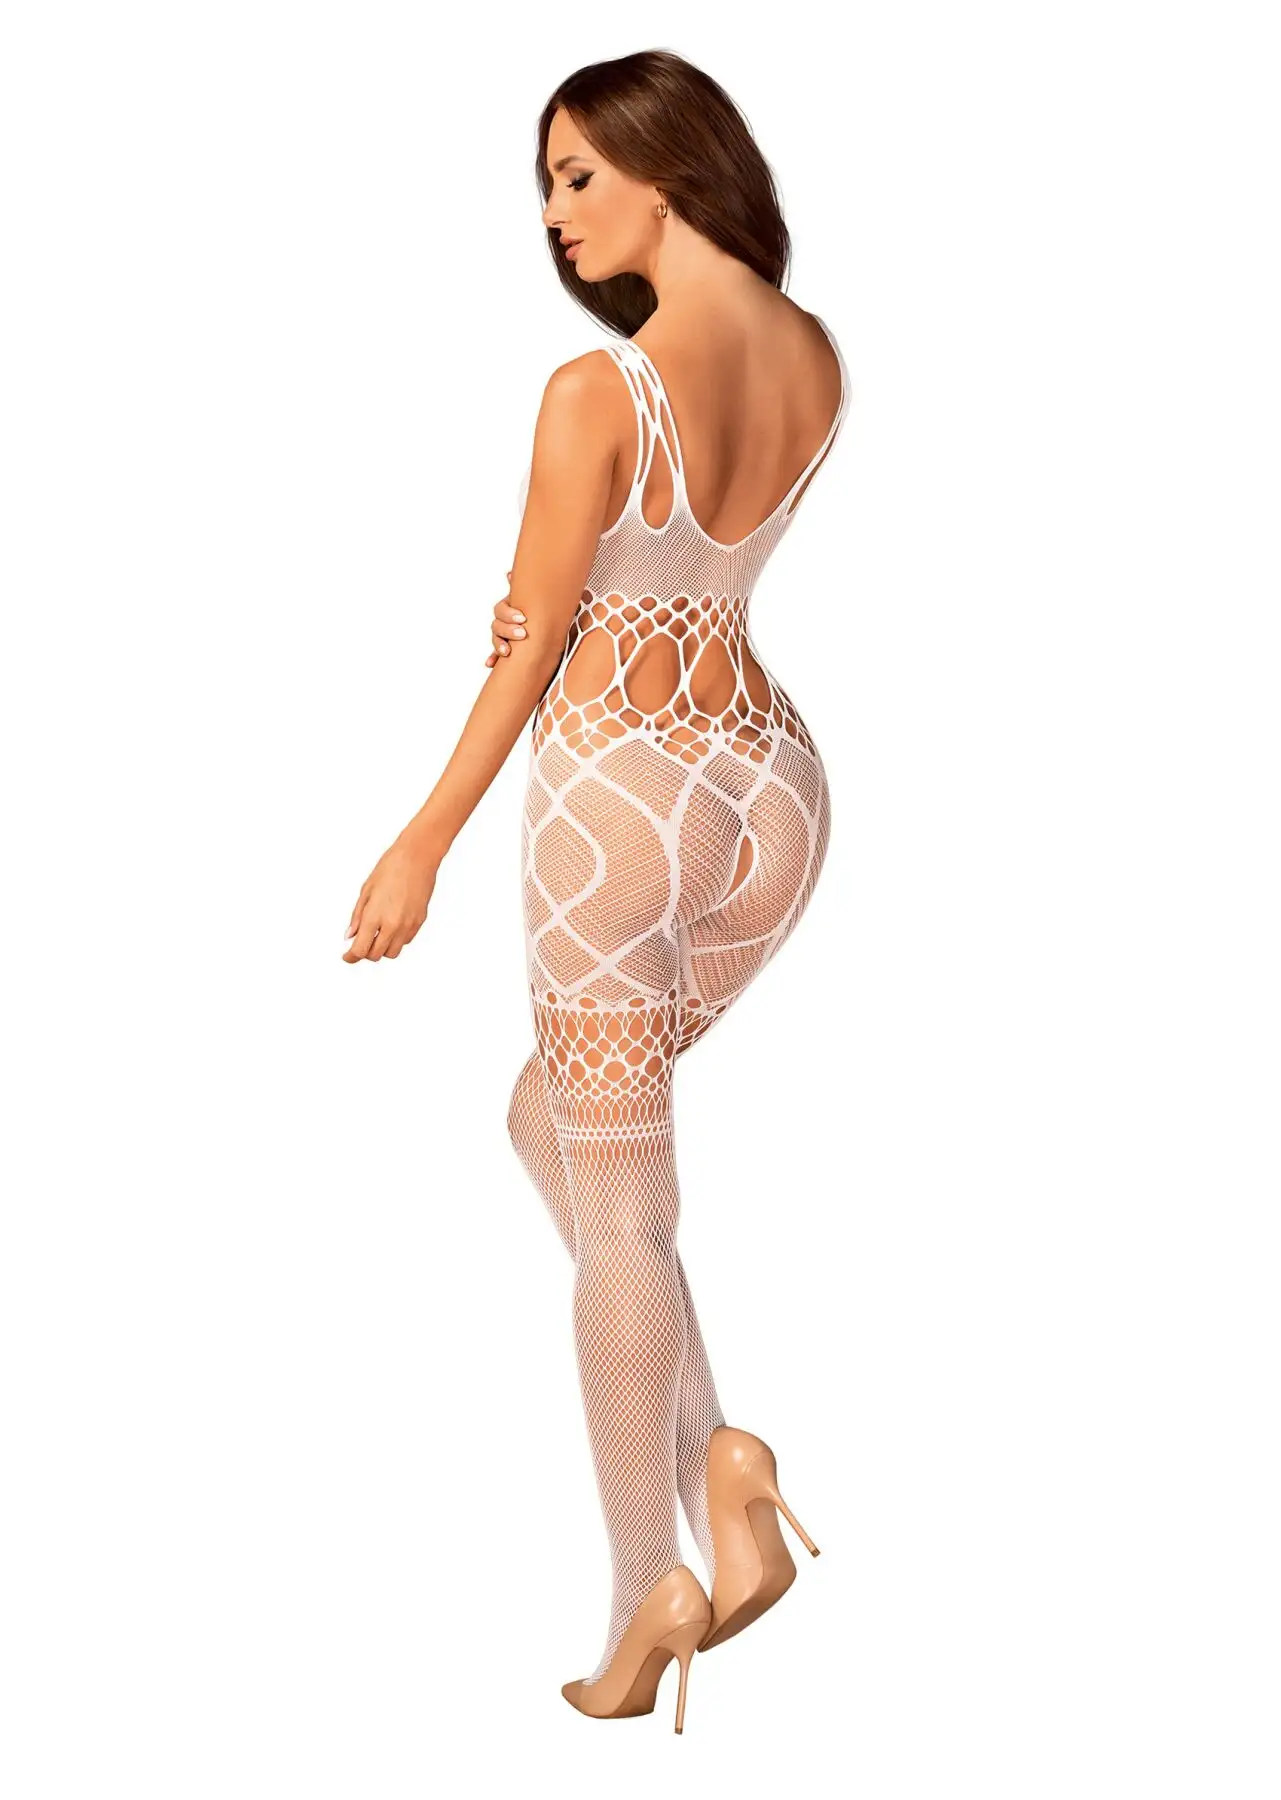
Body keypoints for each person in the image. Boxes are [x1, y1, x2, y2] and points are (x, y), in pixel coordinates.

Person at [343, 50, 848, 1732]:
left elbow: (531, 645)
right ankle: (724, 1467)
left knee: (621, 1218)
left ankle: (650, 1592)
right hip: (772, 784)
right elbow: (687, 568)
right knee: (546, 1120)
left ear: (668, 165)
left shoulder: (597, 390)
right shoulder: (815, 358)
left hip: (617, 804)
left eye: (576, 176)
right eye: (545, 187)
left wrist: (420, 840)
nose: (556, 217)